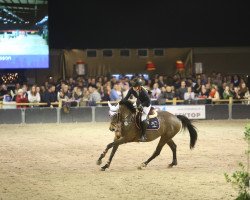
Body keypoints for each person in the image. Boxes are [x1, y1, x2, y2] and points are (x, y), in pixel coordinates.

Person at [124, 78, 151, 142]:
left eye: (135, 86)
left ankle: (143, 136)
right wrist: (122, 102)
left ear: (139, 86)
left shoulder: (144, 92)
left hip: (146, 105)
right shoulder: (131, 89)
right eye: (133, 86)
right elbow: (126, 98)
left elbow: (148, 101)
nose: (134, 88)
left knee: (142, 118)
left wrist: (142, 105)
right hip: (138, 102)